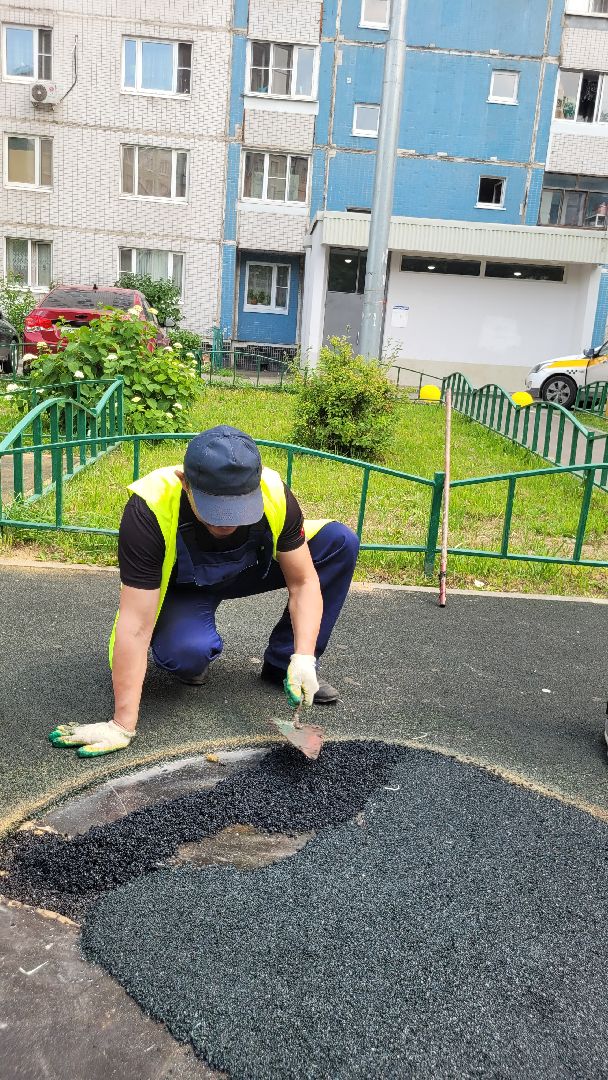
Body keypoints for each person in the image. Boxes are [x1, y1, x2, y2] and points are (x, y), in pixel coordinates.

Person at [49, 425, 360, 757]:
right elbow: (136, 623)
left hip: (246, 569)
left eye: (238, 510)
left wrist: (304, 657)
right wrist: (121, 725)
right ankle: (189, 646)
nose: (226, 523)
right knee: (187, 653)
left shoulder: (273, 492)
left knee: (339, 542)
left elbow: (303, 582)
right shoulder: (149, 509)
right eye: (214, 511)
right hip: (183, 586)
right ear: (186, 483)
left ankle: (283, 666)